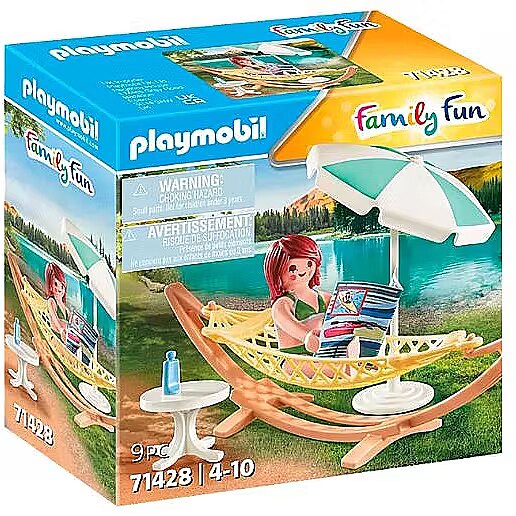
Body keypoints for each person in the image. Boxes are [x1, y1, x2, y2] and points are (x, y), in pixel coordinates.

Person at [264, 234, 331, 354]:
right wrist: (307, 337)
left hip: (324, 355)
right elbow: (291, 326)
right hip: (296, 359)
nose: (302, 270)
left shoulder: (325, 298)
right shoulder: (282, 304)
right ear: (277, 271)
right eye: (292, 268)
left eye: (309, 264)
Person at [45, 262, 69, 341]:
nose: (59, 289)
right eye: (55, 284)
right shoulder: (51, 301)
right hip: (57, 337)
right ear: (50, 286)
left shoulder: (65, 308)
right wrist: (61, 330)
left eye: (62, 286)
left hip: (67, 337)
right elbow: (54, 318)